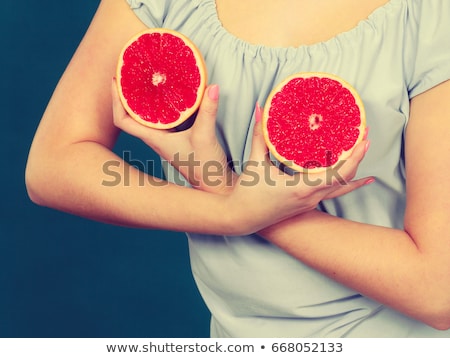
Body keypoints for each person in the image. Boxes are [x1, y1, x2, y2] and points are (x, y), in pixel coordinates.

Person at [25, 0, 450, 337]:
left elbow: (437, 291)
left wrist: (228, 193)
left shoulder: (431, 17)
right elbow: (54, 165)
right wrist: (230, 210)